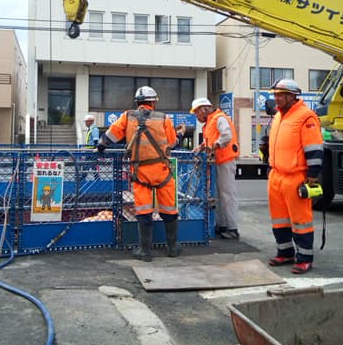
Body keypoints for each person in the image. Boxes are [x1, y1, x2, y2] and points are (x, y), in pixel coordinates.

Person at [97, 86, 186, 261]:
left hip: (140, 173)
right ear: (153, 102)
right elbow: (172, 142)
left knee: (144, 211)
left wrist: (101, 146)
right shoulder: (163, 118)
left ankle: (145, 251)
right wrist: (180, 136)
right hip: (162, 171)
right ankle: (173, 247)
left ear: (138, 102)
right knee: (169, 209)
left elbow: (111, 135)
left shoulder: (128, 116)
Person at [266, 78, 324, 274]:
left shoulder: (306, 117)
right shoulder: (278, 116)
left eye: (280, 95)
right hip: (277, 175)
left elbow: (314, 148)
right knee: (279, 219)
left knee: (301, 220)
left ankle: (305, 258)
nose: (276, 98)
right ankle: (285, 252)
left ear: (292, 96)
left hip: (295, 176)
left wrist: (313, 176)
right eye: (275, 95)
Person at [189, 97, 240, 239]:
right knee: (217, 194)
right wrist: (202, 147)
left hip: (225, 161)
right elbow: (211, 141)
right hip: (217, 161)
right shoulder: (210, 123)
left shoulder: (219, 118)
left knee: (227, 194)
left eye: (197, 112)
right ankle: (222, 224)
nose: (196, 116)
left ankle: (232, 227)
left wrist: (214, 146)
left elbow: (226, 136)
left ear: (203, 110)